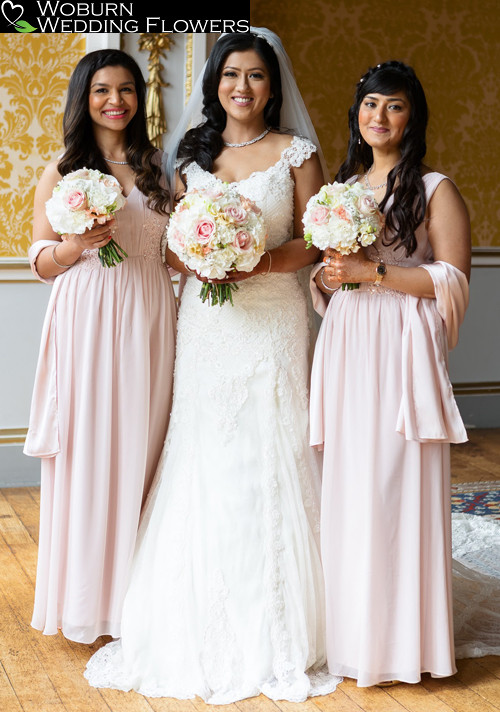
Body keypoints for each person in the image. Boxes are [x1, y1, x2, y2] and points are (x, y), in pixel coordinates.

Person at [84, 29, 341, 703]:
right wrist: (204, 258)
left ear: (272, 85)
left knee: (274, 443)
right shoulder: (191, 155)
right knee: (205, 450)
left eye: (256, 77)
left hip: (273, 317)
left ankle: (295, 620)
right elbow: (168, 247)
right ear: (216, 82)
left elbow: (315, 240)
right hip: (206, 321)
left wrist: (258, 259)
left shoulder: (297, 153)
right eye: (232, 75)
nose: (243, 88)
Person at [309, 61, 471, 686]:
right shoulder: (342, 190)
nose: (379, 116)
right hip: (349, 343)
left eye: (394, 106)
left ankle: (406, 645)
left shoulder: (435, 188)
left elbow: (452, 278)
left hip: (400, 347)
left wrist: (371, 275)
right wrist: (330, 278)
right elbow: (334, 274)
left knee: (395, 483)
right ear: (358, 114)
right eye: (370, 104)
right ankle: (354, 635)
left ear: (413, 116)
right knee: (350, 484)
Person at [24, 49, 177, 644]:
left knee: (144, 443)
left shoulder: (158, 167)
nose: (116, 101)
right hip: (86, 312)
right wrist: (77, 243)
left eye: (127, 90)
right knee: (91, 448)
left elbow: (169, 249)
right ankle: (89, 599)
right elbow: (39, 259)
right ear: (83, 98)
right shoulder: (63, 170)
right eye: (102, 90)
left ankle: (138, 598)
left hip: (148, 308)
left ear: (141, 99)